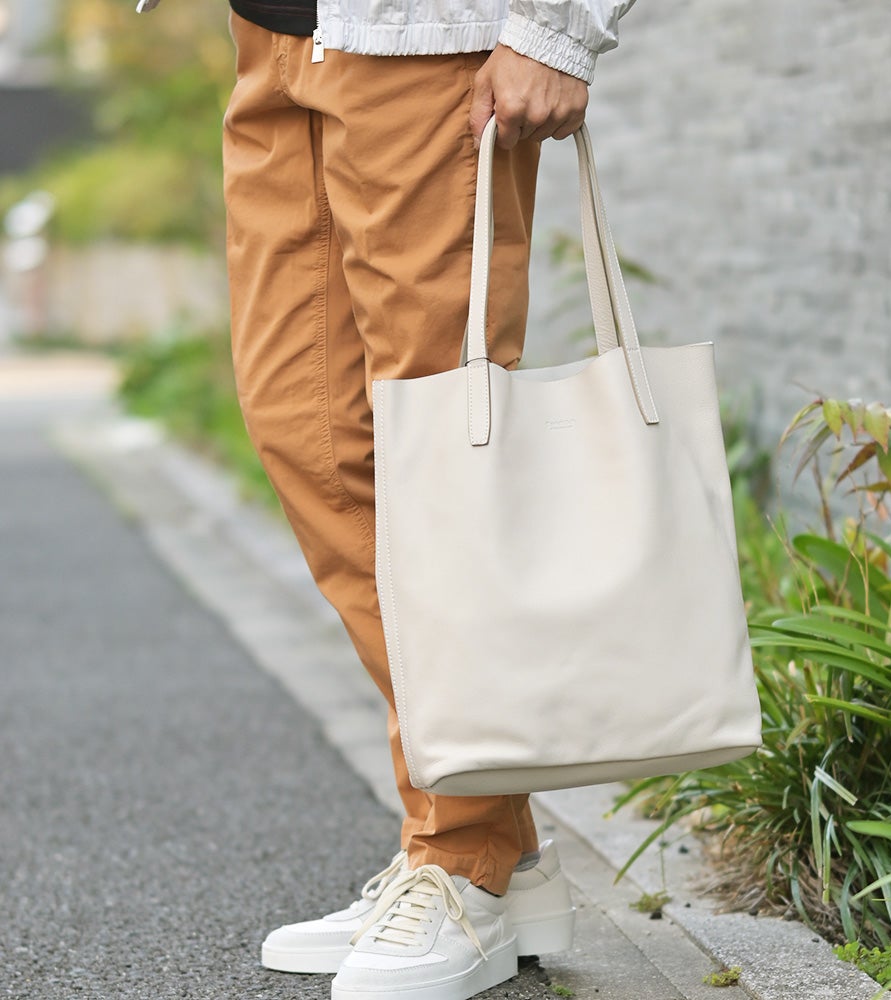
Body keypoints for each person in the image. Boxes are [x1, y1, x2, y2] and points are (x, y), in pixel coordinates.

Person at [216, 2, 634, 997]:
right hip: (273, 38)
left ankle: (464, 855)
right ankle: (498, 850)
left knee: (441, 451)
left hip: (428, 47)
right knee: (308, 431)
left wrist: (554, 26)